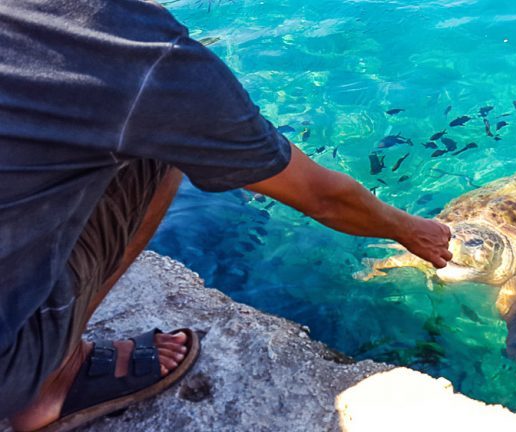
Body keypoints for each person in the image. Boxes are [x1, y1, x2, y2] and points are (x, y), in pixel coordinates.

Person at [0, 1, 452, 430]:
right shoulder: (142, 54)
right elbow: (323, 197)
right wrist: (412, 230)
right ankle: (54, 376)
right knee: (160, 153)